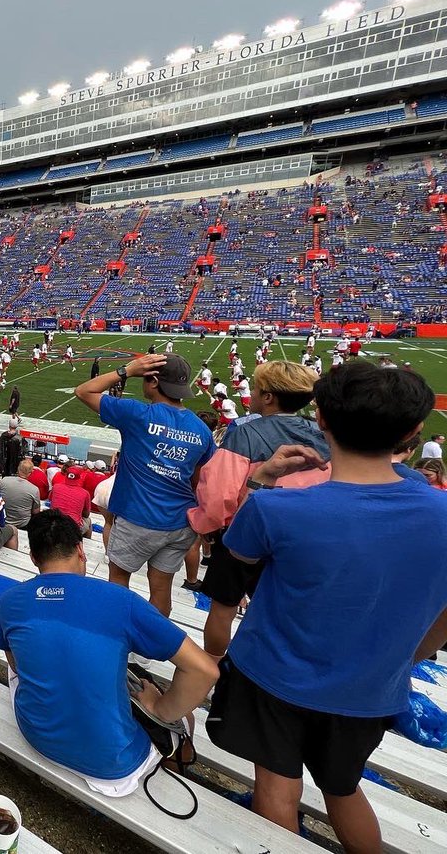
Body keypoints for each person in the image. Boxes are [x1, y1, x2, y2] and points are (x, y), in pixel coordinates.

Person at [208, 362, 447, 852]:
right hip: (371, 689)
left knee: (277, 787)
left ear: (321, 420)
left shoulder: (275, 507)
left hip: (274, 676)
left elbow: (236, 556)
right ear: (413, 431)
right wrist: (409, 657)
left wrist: (263, 479)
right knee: (343, 788)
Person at [0, 510, 217, 795]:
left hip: (36, 734)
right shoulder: (121, 601)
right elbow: (204, 670)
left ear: (34, 557)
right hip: (114, 767)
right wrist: (159, 707)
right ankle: (174, 777)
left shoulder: (10, 600)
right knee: (187, 717)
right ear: (80, 550)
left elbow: (15, 665)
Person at [189, 361, 328, 659]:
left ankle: (212, 667)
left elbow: (219, 495)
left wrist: (206, 526)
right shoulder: (322, 432)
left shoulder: (245, 433)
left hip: (247, 531)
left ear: (268, 397)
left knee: (223, 608)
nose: (251, 393)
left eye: (256, 388)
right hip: (304, 534)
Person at [75, 353, 215, 617]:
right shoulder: (202, 430)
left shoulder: (136, 413)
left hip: (137, 518)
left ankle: (118, 634)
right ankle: (152, 643)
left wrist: (126, 370)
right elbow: (200, 482)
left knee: (118, 581)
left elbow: (83, 391)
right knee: (161, 589)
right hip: (179, 522)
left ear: (153, 381)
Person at [0, 459, 41, 529]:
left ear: (18, 469)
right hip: (22, 525)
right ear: (30, 473)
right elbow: (36, 512)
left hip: (2, 521)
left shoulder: (4, 480)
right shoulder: (34, 490)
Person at [49, 467, 93, 533]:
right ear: (79, 478)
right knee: (88, 521)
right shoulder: (85, 493)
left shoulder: (56, 486)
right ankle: (83, 539)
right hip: (72, 527)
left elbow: (50, 499)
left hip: (54, 522)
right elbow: (86, 515)